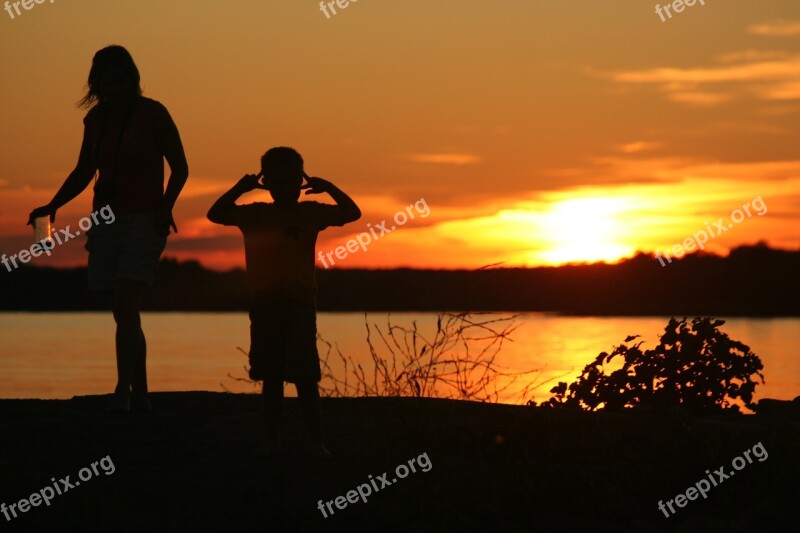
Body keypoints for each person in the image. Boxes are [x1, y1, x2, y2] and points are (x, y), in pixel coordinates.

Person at [27, 45, 189, 413]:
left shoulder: (154, 114)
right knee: (124, 311)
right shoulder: (95, 121)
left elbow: (180, 168)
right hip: (106, 220)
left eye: (121, 82)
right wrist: (52, 206)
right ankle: (141, 394)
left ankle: (122, 391)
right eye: (107, 83)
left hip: (145, 219)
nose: (114, 89)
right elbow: (84, 171)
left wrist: (165, 208)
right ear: (96, 84)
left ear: (133, 80)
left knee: (127, 303)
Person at [207, 147, 360, 457]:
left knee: (305, 376)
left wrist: (328, 187)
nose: (285, 187)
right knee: (271, 376)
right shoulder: (255, 214)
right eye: (277, 181)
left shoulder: (311, 212)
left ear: (299, 181)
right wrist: (241, 187)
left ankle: (315, 442)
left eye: (291, 180)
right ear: (268, 183)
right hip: (264, 306)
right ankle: (271, 441)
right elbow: (215, 214)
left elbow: (352, 213)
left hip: (300, 304)